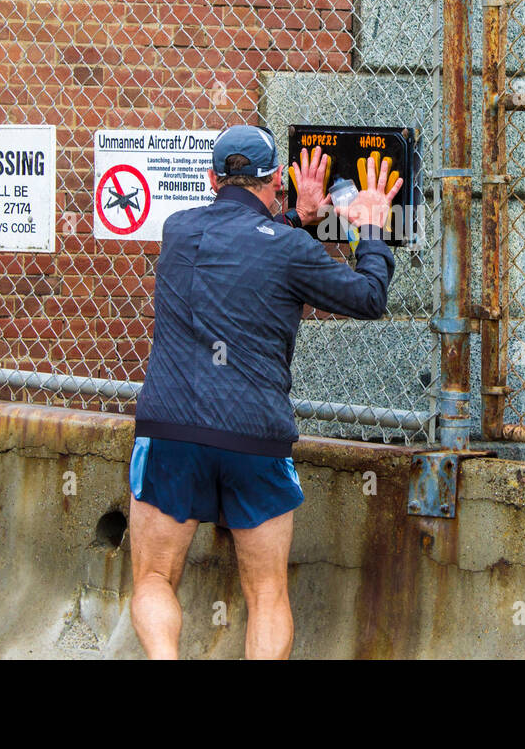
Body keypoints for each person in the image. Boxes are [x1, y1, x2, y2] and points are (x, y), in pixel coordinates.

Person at [127, 123, 403, 659]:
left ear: (210, 179)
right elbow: (368, 297)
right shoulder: (290, 250)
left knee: (155, 578)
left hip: (170, 429)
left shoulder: (178, 230)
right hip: (254, 436)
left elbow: (242, 243)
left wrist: (294, 217)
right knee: (267, 593)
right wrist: (370, 228)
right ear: (277, 178)